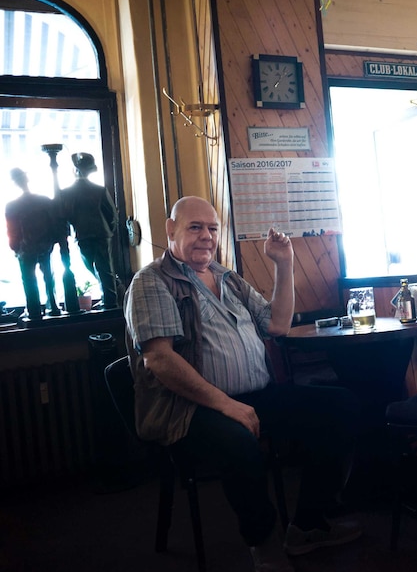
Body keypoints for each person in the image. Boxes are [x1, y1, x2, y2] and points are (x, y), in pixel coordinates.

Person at [125, 196, 361, 572]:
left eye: (213, 228)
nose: (207, 236)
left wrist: (284, 264)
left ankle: (308, 524)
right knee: (238, 440)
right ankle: (263, 543)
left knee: (341, 407)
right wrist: (224, 404)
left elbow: (277, 325)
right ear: (171, 230)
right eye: (195, 227)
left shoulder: (228, 278)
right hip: (189, 409)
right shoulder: (152, 282)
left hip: (254, 396)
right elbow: (159, 359)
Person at [59, 152, 119, 309]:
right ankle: (111, 297)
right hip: (101, 234)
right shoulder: (99, 190)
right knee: (104, 268)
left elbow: (67, 216)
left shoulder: (67, 193)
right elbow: (112, 215)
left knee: (92, 266)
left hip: (83, 234)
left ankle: (111, 298)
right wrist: (109, 231)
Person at [5, 167, 62, 320]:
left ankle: (34, 310)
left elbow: (12, 231)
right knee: (48, 276)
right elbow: (54, 224)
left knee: (29, 280)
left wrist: (16, 248)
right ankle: (54, 305)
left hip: (25, 248)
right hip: (45, 245)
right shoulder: (44, 201)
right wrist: (52, 241)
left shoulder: (12, 206)